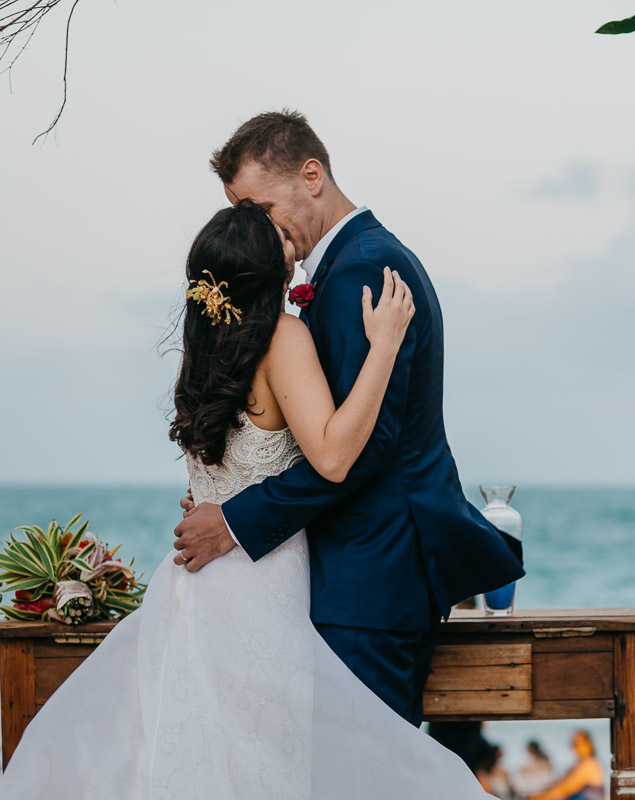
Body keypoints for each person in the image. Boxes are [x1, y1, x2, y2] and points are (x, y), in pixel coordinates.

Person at [0, 201, 495, 797]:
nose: (291, 239)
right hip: (260, 588)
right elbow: (335, 456)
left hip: (188, 589)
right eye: (278, 236)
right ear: (271, 269)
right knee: (267, 765)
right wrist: (384, 348)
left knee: (194, 759)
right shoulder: (281, 337)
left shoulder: (201, 347)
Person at [174, 110, 524, 724]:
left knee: (362, 774)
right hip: (360, 573)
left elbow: (358, 451)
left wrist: (233, 520)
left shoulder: (360, 271)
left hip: (370, 574)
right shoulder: (346, 265)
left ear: (312, 175)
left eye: (260, 207)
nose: (258, 227)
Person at [529, 731, 604, 800]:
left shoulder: (589, 764)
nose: (575, 746)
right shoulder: (581, 764)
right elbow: (561, 785)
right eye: (573, 743)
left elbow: (564, 789)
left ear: (589, 743)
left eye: (578, 743)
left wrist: (539, 797)